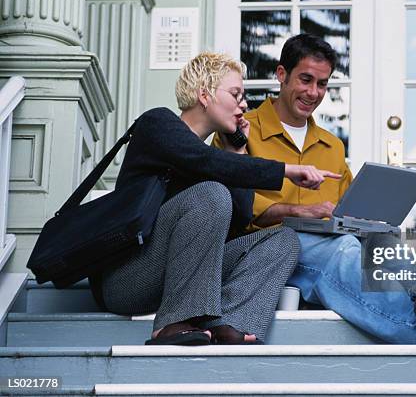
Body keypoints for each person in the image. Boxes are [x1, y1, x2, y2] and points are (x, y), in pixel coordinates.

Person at [214, 34, 416, 344]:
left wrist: (366, 221)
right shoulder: (241, 129)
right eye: (306, 80)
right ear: (282, 75)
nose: (313, 92)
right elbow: (234, 206)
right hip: (267, 249)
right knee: (344, 250)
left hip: (325, 242)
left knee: (381, 244)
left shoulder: (332, 146)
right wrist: (298, 211)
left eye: (322, 84)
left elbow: (346, 209)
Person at [89, 51, 340, 346]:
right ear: (204, 95)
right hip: (128, 279)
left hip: (184, 275)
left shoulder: (217, 159)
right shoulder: (157, 124)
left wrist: (237, 151)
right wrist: (287, 170)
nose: (244, 105)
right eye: (236, 94)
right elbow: (203, 160)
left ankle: (232, 323)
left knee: (283, 239)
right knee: (211, 193)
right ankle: (172, 323)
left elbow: (243, 216)